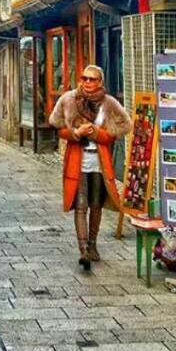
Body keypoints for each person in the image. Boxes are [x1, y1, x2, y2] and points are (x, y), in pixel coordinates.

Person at [50, 65, 130, 271]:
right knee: (80, 205)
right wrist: (76, 132)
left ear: (100, 82)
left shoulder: (109, 103)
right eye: (84, 78)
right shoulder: (68, 100)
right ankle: (83, 249)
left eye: (92, 79)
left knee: (96, 204)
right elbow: (58, 128)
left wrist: (95, 133)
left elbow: (119, 130)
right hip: (78, 161)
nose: (87, 82)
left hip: (100, 162)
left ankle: (93, 245)